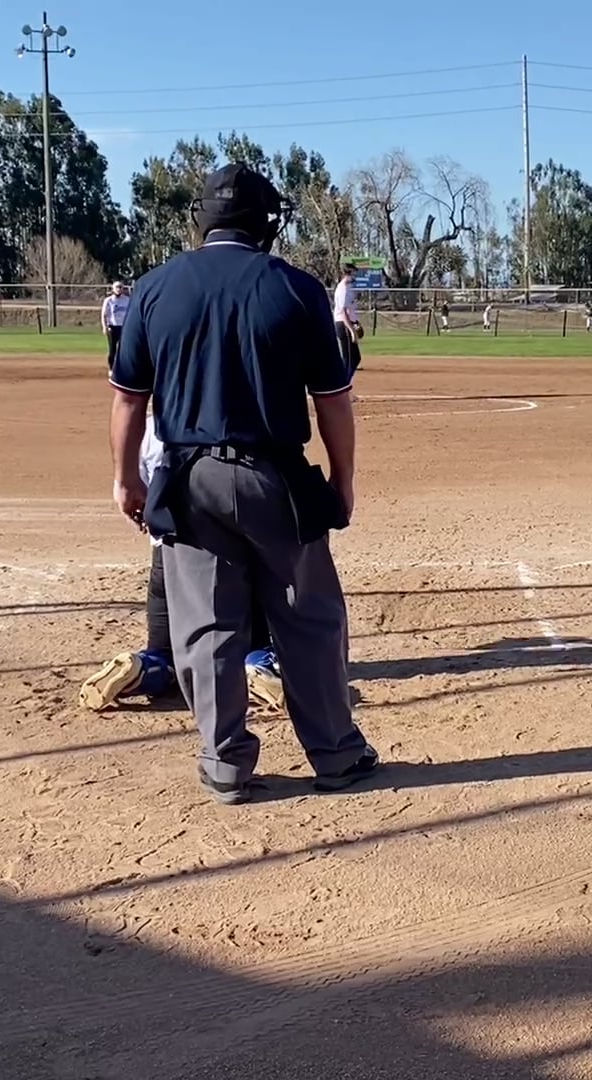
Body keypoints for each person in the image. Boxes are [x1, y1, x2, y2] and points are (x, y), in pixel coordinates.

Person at [107, 163, 379, 805]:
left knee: (206, 626)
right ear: (263, 223)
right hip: (275, 476)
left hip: (188, 478)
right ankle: (337, 756)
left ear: (202, 221)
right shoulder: (296, 287)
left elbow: (129, 401)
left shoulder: (154, 288)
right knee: (308, 620)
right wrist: (342, 480)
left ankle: (225, 764)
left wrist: (125, 480)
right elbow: (332, 402)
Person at [79, 413, 284, 716]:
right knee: (254, 641)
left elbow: (137, 498)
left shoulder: (150, 428)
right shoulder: (236, 418)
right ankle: (256, 667)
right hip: (234, 553)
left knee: (166, 653)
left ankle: (142, 668)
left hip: (168, 555)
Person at [332, 264, 363, 374]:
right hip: (344, 325)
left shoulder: (348, 288)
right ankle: (342, 382)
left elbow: (350, 310)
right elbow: (343, 312)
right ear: (348, 274)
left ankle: (346, 380)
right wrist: (352, 330)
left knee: (356, 358)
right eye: (354, 273)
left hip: (348, 323)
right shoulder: (343, 289)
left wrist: (356, 322)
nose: (355, 276)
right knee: (349, 360)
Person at [101, 280, 130, 365]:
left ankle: (122, 367)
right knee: (112, 349)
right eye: (117, 287)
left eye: (120, 287)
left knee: (124, 349)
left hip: (123, 327)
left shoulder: (127, 300)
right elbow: (104, 314)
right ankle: (111, 368)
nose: (119, 289)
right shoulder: (109, 300)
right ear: (113, 289)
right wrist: (105, 327)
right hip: (112, 327)